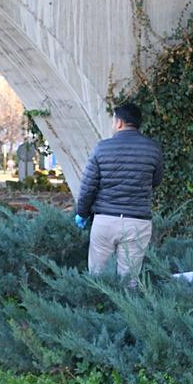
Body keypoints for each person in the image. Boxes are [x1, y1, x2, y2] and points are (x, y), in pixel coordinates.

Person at [75, 103, 163, 283]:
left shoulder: (102, 148)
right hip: (138, 222)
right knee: (130, 281)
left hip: (105, 220)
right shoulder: (153, 149)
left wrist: (82, 213)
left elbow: (88, 187)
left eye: (114, 121)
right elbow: (156, 181)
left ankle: (99, 302)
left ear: (120, 123)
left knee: (99, 279)